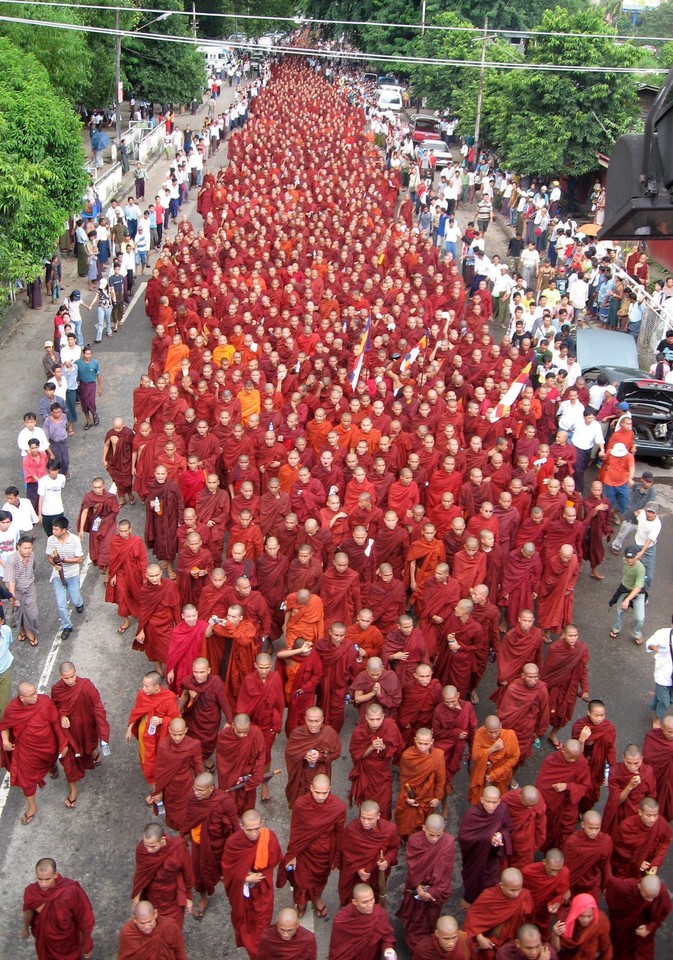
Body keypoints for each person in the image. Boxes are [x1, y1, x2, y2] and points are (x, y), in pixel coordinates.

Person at [279, 773, 346, 918]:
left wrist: (336, 857)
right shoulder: (301, 804)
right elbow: (295, 829)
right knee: (301, 882)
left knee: (320, 880)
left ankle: (316, 898)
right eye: (317, 792)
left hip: (324, 853)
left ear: (330, 789)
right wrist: (293, 854)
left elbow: (339, 833)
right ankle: (301, 902)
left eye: (325, 792)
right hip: (304, 851)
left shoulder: (338, 807)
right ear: (311, 788)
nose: (321, 796)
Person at [0, 680, 66, 824]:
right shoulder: (12, 709)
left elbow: (55, 723)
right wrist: (5, 741)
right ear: (22, 698)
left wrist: (62, 744)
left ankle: (52, 767)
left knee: (50, 760)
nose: (36, 696)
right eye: (31, 695)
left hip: (47, 746)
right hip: (25, 750)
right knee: (26, 780)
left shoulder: (45, 703)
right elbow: (5, 725)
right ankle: (32, 807)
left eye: (35, 692)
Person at [221, 808, 283, 959]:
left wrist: (260, 873)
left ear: (262, 824)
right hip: (243, 893)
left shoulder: (269, 838)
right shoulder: (233, 843)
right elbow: (227, 869)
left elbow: (274, 860)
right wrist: (245, 878)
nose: (254, 833)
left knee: (261, 928)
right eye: (249, 830)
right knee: (245, 925)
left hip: (263, 890)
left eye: (257, 829)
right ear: (241, 826)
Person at [50, 660, 109, 808]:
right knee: (68, 760)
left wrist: (103, 731)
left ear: (76, 672)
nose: (70, 680)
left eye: (72, 676)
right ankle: (73, 790)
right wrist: (61, 716)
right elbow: (54, 708)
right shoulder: (57, 689)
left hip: (86, 725)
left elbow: (97, 706)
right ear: (60, 676)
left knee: (89, 744)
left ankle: (93, 753)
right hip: (68, 732)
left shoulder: (86, 685)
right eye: (66, 678)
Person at [181, 771, 238, 919]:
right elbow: (189, 819)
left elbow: (234, 825)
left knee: (225, 871)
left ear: (211, 789)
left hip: (218, 846)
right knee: (199, 873)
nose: (195, 793)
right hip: (199, 844)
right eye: (194, 789)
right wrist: (186, 834)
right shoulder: (192, 799)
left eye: (200, 790)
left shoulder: (225, 802)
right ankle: (203, 897)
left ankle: (234, 894)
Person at [397, 813, 455, 949]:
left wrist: (433, 892)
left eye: (439, 835)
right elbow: (413, 868)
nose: (435, 839)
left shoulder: (448, 843)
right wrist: (418, 889)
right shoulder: (414, 841)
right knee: (415, 917)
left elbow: (446, 872)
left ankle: (429, 936)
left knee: (431, 918)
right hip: (416, 887)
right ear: (424, 828)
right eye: (431, 834)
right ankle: (414, 944)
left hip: (435, 890)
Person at [21, 857, 95, 960]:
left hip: (67, 939)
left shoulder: (71, 891)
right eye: (39, 879)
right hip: (45, 941)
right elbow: (28, 911)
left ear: (55, 875)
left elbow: (83, 916)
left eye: (47, 879)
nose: (43, 884)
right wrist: (25, 928)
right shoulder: (32, 891)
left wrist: (87, 941)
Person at [458, 785, 515, 906]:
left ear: (499, 802)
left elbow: (508, 828)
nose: (491, 806)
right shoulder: (472, 814)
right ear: (482, 799)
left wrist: (500, 835)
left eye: (494, 802)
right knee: (473, 879)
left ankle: (488, 903)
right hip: (476, 856)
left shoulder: (502, 809)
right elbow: (464, 837)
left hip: (493, 856)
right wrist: (489, 838)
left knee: (492, 880)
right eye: (488, 801)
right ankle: (470, 899)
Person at [338, 800, 400, 906]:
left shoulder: (389, 829)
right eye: (363, 818)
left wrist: (387, 860)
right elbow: (345, 852)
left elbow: (393, 849)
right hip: (356, 874)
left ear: (378, 816)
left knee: (373, 898)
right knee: (353, 898)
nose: (366, 822)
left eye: (370, 819)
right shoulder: (352, 830)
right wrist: (357, 869)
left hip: (375, 873)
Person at [348, 701, 403, 820]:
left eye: (378, 719)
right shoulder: (359, 732)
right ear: (366, 717)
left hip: (382, 774)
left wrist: (385, 748)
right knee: (367, 805)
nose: (375, 723)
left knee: (385, 804)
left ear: (383, 716)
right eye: (372, 719)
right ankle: (367, 827)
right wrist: (371, 747)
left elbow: (398, 747)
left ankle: (383, 829)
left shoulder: (390, 726)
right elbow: (356, 756)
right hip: (367, 774)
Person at [132, 823, 193, 929]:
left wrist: (188, 896)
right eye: (146, 845)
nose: (148, 850)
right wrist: (136, 898)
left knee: (173, 927)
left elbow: (188, 873)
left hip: (172, 894)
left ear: (162, 839)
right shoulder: (141, 850)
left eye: (153, 846)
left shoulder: (178, 848)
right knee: (152, 925)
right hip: (152, 894)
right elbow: (141, 875)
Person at [463, 868, 535, 957]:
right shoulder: (489, 897)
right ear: (502, 886)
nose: (516, 894)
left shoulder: (525, 896)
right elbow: (472, 918)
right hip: (492, 942)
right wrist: (480, 937)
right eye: (512, 890)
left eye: (518, 889)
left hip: (515, 943)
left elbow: (529, 921)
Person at [125, 671, 180, 785]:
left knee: (160, 757)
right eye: (143, 685)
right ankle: (151, 777)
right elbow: (137, 711)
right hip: (144, 729)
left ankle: (161, 780)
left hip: (161, 734)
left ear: (156, 687)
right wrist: (129, 729)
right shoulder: (142, 694)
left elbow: (176, 719)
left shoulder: (169, 698)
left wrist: (161, 720)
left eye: (146, 686)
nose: (143, 688)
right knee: (146, 755)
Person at [536, 740, 592, 850]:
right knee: (548, 828)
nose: (573, 760)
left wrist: (567, 786)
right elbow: (542, 785)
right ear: (562, 750)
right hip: (551, 804)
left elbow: (585, 786)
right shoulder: (551, 760)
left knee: (565, 832)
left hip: (568, 806)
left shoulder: (582, 763)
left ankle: (560, 853)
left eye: (575, 757)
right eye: (570, 757)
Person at [540, 625, 590, 748]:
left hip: (570, 688)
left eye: (575, 636)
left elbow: (583, 669)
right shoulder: (555, 649)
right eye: (570, 636)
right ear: (564, 635)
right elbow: (548, 671)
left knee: (564, 713)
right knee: (545, 711)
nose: (573, 638)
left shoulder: (581, 649)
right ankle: (536, 732)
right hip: (555, 687)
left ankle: (553, 734)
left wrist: (584, 689)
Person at [150, 716, 202, 831]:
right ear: (169, 731)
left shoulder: (193, 745)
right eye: (174, 734)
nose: (177, 738)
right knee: (172, 806)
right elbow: (160, 770)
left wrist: (200, 786)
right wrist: (158, 791)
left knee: (186, 807)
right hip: (170, 785)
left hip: (186, 783)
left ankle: (185, 828)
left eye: (180, 734)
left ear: (186, 731)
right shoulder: (163, 746)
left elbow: (198, 765)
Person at [284, 704, 341, 808]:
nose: (313, 725)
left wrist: (321, 757)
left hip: (321, 771)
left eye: (317, 721)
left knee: (319, 795)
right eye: (310, 721)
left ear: (322, 719)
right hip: (302, 772)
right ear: (305, 719)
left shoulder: (329, 733)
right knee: (302, 799)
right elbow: (290, 753)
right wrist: (303, 755)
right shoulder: (297, 734)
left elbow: (336, 753)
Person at [395, 727, 446, 840]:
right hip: (412, 795)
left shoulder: (438, 756)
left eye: (426, 744)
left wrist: (438, 797)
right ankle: (409, 842)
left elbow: (440, 780)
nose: (423, 746)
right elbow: (404, 780)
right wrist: (406, 797)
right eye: (420, 743)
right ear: (414, 740)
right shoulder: (407, 756)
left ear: (432, 742)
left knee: (425, 824)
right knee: (407, 824)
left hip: (427, 797)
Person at [605, 874, 671, 960]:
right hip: (624, 927)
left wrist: (650, 927)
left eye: (653, 898)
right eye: (647, 896)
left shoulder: (661, 892)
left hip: (643, 931)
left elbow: (664, 912)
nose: (650, 900)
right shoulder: (626, 887)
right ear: (639, 886)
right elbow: (611, 884)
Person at [601, 743, 657, 837]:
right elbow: (616, 800)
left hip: (639, 811)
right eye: (628, 763)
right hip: (621, 812)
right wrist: (630, 786)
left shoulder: (648, 771)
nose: (632, 767)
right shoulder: (615, 772)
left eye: (636, 763)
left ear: (642, 759)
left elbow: (651, 796)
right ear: (623, 758)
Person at [328, 883, 396, 960]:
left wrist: (388, 948)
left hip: (371, 955)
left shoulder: (379, 913)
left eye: (372, 899)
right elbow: (338, 948)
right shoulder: (342, 920)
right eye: (365, 902)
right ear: (355, 902)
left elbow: (386, 936)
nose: (370, 905)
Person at [570, 699, 617, 810]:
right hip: (582, 766)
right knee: (578, 787)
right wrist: (582, 740)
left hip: (598, 765)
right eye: (596, 715)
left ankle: (585, 809)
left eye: (602, 715)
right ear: (589, 713)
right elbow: (574, 752)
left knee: (592, 790)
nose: (599, 719)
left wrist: (612, 769)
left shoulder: (608, 728)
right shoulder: (579, 727)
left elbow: (611, 749)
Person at [134, 564, 181, 673]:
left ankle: (171, 671)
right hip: (151, 626)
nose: (154, 578)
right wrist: (141, 629)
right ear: (146, 576)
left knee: (168, 650)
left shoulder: (169, 585)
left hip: (166, 624)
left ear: (161, 573)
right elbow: (143, 610)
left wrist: (179, 627)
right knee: (153, 649)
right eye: (151, 576)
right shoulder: (145, 589)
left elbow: (176, 607)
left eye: (157, 575)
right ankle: (159, 671)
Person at [215, 712, 265, 813]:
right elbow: (222, 761)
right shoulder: (224, 736)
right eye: (239, 732)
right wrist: (231, 778)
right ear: (232, 726)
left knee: (247, 803)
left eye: (245, 732)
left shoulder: (256, 733)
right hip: (230, 776)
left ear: (250, 725)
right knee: (229, 802)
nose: (243, 735)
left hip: (248, 775)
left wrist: (257, 775)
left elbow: (260, 756)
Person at [610, 797, 671, 879]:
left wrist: (656, 863)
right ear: (640, 812)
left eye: (655, 815)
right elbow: (618, 848)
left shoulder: (661, 823)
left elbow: (666, 840)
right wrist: (637, 861)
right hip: (627, 869)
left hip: (648, 867)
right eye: (648, 815)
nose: (652, 819)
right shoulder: (626, 826)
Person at [46, 516, 84, 641]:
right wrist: (55, 564)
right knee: (61, 604)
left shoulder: (74, 540)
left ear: (64, 530)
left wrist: (63, 561)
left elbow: (79, 559)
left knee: (74, 598)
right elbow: (49, 558)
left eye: (56, 529)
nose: (53, 532)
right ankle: (67, 626)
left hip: (72, 574)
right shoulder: (51, 540)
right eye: (53, 529)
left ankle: (79, 603)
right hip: (58, 576)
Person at [105, 519, 147, 634]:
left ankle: (143, 618)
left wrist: (144, 577)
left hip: (135, 573)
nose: (123, 534)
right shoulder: (115, 541)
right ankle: (126, 620)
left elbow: (143, 559)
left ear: (130, 530)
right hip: (121, 574)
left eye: (125, 531)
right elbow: (113, 560)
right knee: (122, 597)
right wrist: (113, 575)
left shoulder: (137, 541)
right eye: (121, 531)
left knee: (138, 595)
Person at [562, 810, 613, 901]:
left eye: (597, 828)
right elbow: (567, 866)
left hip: (593, 884)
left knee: (590, 910)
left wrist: (607, 885)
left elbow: (606, 864)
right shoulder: (573, 842)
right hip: (576, 884)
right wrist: (566, 887)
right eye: (590, 828)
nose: (594, 832)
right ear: (583, 825)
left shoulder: (605, 841)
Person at [468, 716, 520, 803]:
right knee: (480, 799)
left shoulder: (510, 736)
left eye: (496, 731)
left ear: (500, 726)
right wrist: (492, 749)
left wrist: (496, 773)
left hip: (501, 773)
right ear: (485, 728)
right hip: (484, 771)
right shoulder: (480, 733)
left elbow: (514, 758)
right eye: (490, 732)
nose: (493, 735)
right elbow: (475, 757)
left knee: (500, 797)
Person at [145, 465, 185, 579]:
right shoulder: (153, 486)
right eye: (158, 474)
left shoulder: (172, 485)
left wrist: (180, 520)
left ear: (166, 474)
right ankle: (168, 564)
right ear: (155, 474)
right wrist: (150, 504)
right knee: (162, 542)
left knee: (170, 544)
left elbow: (180, 501)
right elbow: (150, 501)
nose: (160, 476)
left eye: (162, 474)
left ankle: (169, 565)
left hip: (171, 519)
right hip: (159, 520)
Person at [117, 900, 187, 960]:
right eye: (142, 923)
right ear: (134, 919)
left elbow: (179, 950)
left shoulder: (169, 926)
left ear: (155, 914)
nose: (147, 927)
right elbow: (124, 957)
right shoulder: (127, 933)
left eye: (150, 921)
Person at [520, 849, 571, 932]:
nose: (554, 874)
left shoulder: (564, 873)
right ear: (544, 862)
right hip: (527, 907)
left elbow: (561, 893)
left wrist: (556, 903)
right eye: (551, 870)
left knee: (542, 931)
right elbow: (520, 891)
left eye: (558, 870)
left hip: (544, 909)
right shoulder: (528, 871)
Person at [550, 894, 612, 960]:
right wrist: (555, 935)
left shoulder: (600, 920)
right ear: (574, 914)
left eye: (589, 916)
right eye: (581, 916)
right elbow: (555, 950)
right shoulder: (565, 920)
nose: (585, 920)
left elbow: (606, 947)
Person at [77, 476, 119, 572]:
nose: (97, 490)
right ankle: (101, 564)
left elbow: (115, 511)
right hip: (95, 523)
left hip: (108, 523)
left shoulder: (110, 497)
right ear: (92, 487)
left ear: (103, 486)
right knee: (96, 543)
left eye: (99, 487)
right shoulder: (89, 497)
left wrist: (106, 520)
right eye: (95, 488)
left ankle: (107, 563)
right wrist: (81, 530)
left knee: (107, 543)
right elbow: (84, 511)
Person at [5, 535, 39, 646]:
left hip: (29, 585)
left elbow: (32, 568)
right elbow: (11, 580)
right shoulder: (12, 560)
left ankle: (29, 631)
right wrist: (13, 596)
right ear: (18, 547)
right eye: (25, 548)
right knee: (19, 612)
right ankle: (22, 629)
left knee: (32, 613)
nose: (27, 550)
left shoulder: (32, 556)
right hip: (17, 589)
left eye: (29, 548)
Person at [502, 786, 547, 868]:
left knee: (522, 866)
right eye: (527, 805)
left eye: (532, 806)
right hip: (509, 836)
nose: (530, 808)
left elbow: (541, 821)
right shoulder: (508, 799)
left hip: (525, 841)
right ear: (520, 797)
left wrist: (537, 841)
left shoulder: (538, 798)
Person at [609, 546, 646, 643]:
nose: (629, 560)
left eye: (632, 558)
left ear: (636, 556)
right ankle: (616, 628)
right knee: (619, 611)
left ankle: (637, 632)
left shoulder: (640, 569)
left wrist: (627, 600)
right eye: (627, 557)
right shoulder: (624, 560)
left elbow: (638, 588)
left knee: (639, 618)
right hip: (625, 588)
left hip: (638, 592)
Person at [642, 714, 673, 820]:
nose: (672, 735)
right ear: (661, 727)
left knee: (663, 798)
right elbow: (647, 756)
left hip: (667, 778)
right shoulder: (651, 736)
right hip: (651, 774)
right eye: (669, 732)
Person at [644, 617, 673, 721]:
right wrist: (653, 647)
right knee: (665, 703)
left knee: (670, 699)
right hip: (663, 674)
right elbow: (650, 643)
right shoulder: (663, 634)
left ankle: (656, 699)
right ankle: (657, 718)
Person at [74, 346, 102, 430]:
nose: (88, 356)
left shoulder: (95, 363)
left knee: (91, 401)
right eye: (87, 354)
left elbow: (98, 375)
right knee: (84, 405)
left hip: (91, 385)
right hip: (82, 385)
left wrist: (100, 387)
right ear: (83, 354)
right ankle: (89, 421)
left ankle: (94, 413)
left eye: (90, 354)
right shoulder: (77, 363)